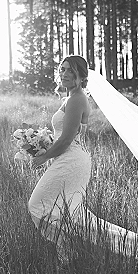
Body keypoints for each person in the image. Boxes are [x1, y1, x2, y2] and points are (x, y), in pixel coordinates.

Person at [28, 54, 92, 262]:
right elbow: (60, 137)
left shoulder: (77, 98)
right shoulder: (70, 98)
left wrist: (44, 157)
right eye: (62, 69)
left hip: (71, 159)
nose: (64, 73)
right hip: (67, 157)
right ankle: (68, 256)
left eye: (70, 70)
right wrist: (41, 143)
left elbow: (65, 140)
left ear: (81, 75)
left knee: (36, 204)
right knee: (64, 212)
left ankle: (68, 250)